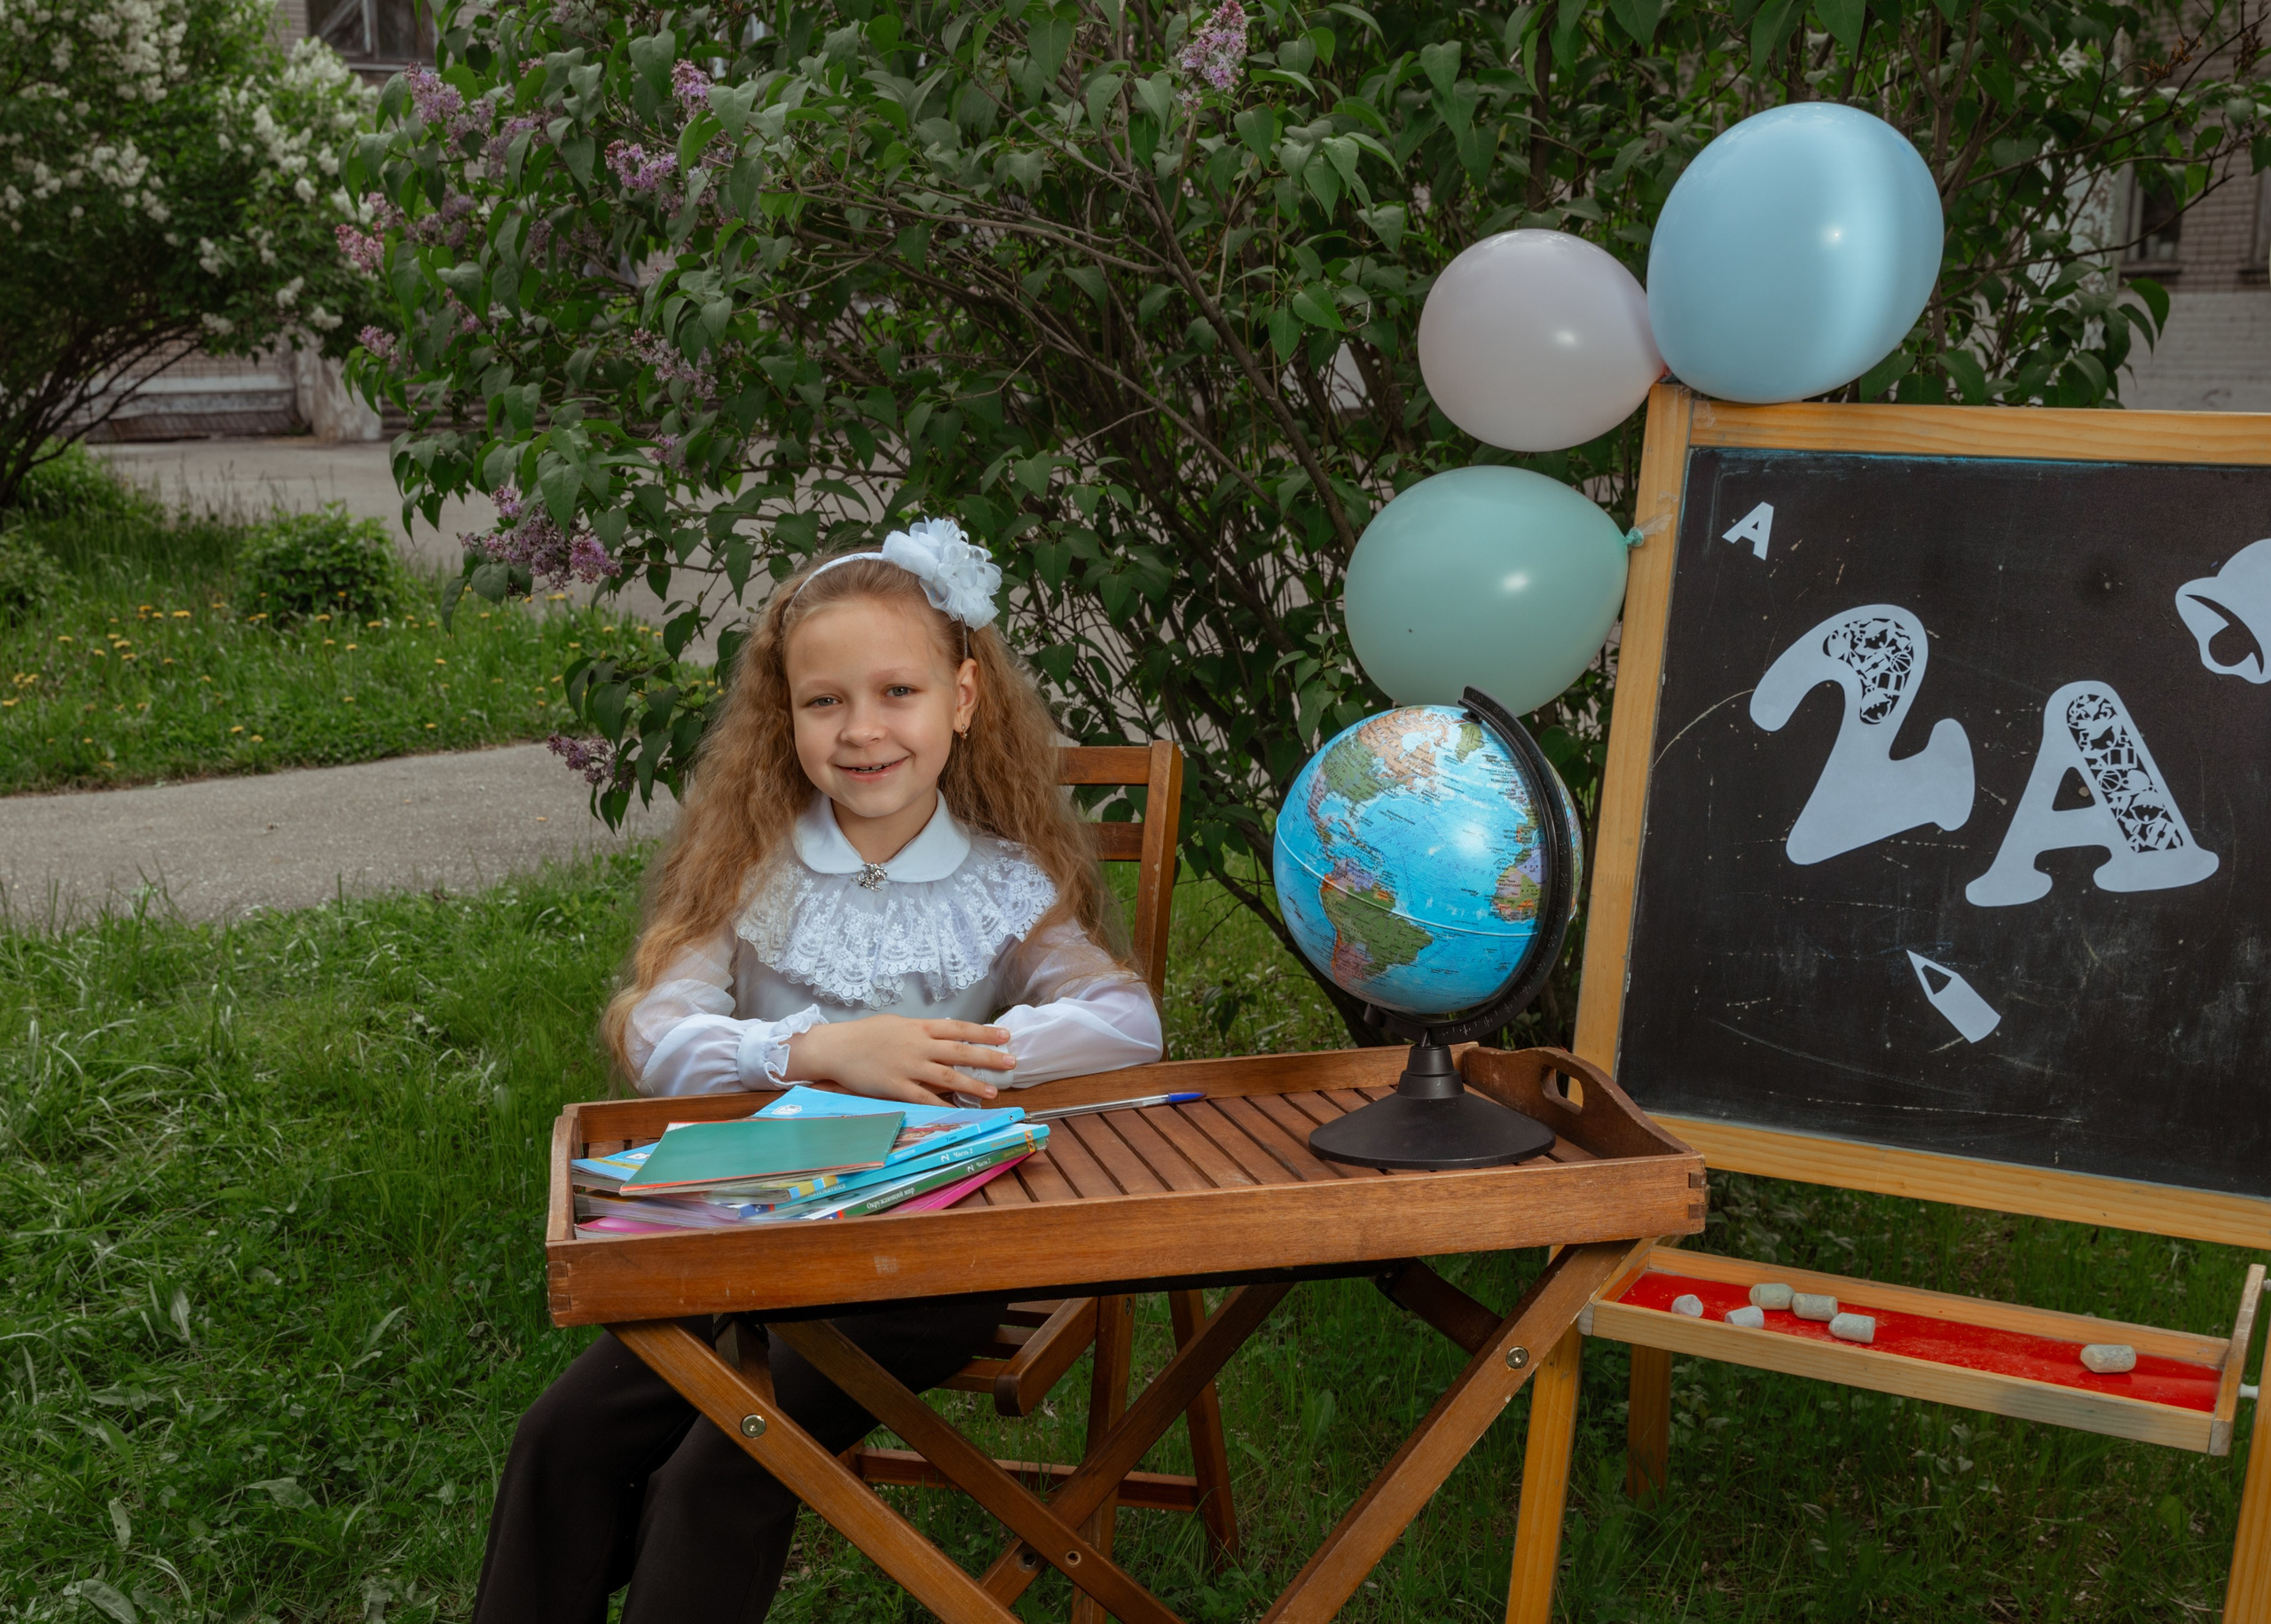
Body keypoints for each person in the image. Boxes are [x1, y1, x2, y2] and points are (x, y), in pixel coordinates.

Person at [472, 522, 1165, 1623]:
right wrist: (814, 1050)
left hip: (924, 1251)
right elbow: (657, 1032)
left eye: (898, 692)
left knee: (720, 1466)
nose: (862, 729)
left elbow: (1127, 1023)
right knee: (563, 1438)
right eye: (825, 701)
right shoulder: (752, 861)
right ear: (783, 714)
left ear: (963, 699)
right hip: (745, 1221)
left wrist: (946, 1061)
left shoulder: (1002, 879)